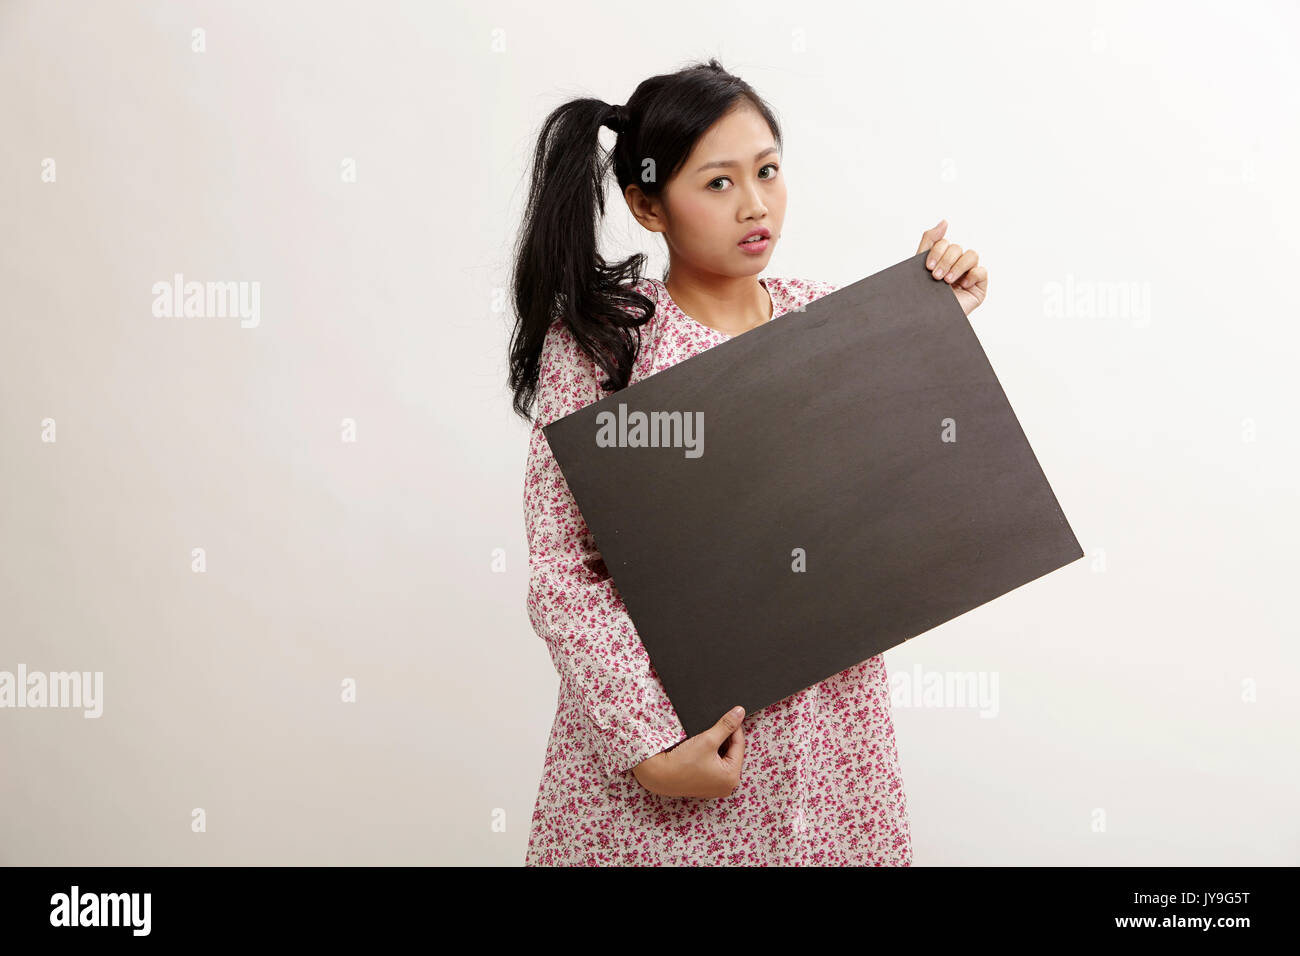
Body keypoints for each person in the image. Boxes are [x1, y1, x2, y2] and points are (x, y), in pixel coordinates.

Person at [507, 57, 988, 866]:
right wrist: (651, 750)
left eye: (767, 170)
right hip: (674, 736)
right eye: (719, 183)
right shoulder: (606, 347)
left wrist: (934, 320)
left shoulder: (825, 323)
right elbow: (565, 571)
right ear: (647, 204)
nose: (756, 204)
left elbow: (888, 500)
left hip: (828, 734)